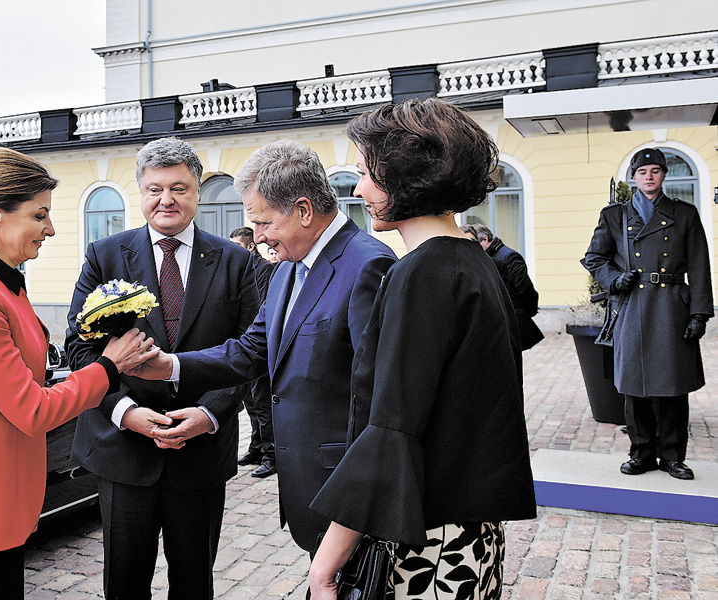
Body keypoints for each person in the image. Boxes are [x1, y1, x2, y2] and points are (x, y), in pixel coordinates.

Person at [307, 98, 537, 599]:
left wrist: (325, 564)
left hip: (426, 540)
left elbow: (393, 426)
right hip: (470, 530)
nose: (360, 188)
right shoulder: (473, 264)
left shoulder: (420, 274)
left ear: (407, 177)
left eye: (368, 173)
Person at [0, 146, 157, 600]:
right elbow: (31, 408)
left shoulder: (4, 284)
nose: (51, 228)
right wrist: (109, 366)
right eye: (39, 215)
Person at [129, 139, 397, 555]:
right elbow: (253, 349)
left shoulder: (367, 265)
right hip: (310, 488)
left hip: (347, 492)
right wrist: (170, 367)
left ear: (304, 210)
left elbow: (378, 400)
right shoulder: (290, 266)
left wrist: (357, 500)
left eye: (263, 222)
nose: (257, 238)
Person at [65, 137, 260, 600]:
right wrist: (124, 410)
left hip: (199, 452)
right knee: (124, 584)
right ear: (140, 191)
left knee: (194, 583)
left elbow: (252, 349)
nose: (166, 199)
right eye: (154, 189)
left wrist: (210, 414)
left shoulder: (234, 260)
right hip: (124, 449)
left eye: (179, 188)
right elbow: (78, 346)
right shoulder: (105, 255)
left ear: (197, 191)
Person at [582, 147, 712, 480]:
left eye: (655, 170)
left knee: (672, 385)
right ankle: (641, 453)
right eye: (642, 172)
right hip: (633, 306)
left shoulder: (685, 214)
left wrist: (700, 313)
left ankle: (672, 456)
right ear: (634, 178)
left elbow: (699, 266)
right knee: (634, 385)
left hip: (671, 307)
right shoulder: (615, 215)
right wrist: (614, 279)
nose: (649, 177)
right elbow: (595, 258)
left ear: (664, 175)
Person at [229, 226, 277, 477]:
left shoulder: (264, 269)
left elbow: (263, 307)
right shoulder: (239, 269)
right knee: (249, 401)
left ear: (250, 247)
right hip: (242, 343)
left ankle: (271, 454)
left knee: (262, 402)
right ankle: (256, 447)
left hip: (259, 344)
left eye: (237, 246)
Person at [464, 223, 544, 351]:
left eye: (474, 243)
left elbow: (524, 289)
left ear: (485, 239)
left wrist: (529, 311)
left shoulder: (509, 257)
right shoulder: (484, 258)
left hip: (512, 321)